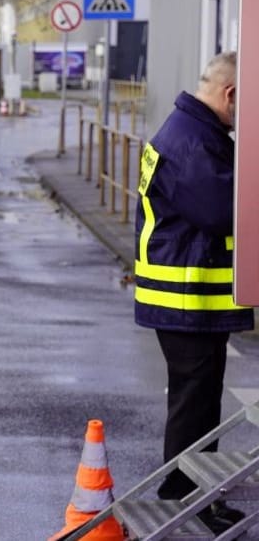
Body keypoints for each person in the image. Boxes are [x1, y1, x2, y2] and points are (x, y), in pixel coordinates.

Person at [134, 52, 253, 532]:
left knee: (198, 402)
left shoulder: (193, 133)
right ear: (230, 94)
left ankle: (193, 494)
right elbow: (226, 213)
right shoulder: (192, 143)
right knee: (193, 405)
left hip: (186, 297)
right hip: (186, 299)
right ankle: (185, 497)